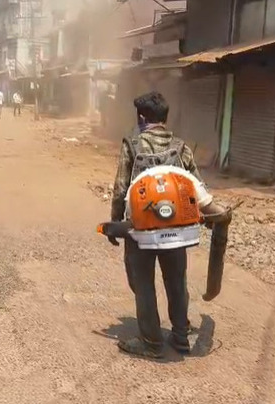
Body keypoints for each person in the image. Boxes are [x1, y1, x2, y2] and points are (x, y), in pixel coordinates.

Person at [109, 91, 229, 359]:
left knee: (143, 283)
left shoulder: (132, 144)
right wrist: (210, 217)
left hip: (140, 228)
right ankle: (180, 336)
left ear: (141, 117)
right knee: (176, 281)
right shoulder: (181, 146)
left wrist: (116, 223)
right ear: (164, 117)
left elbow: (120, 188)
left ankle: (151, 342)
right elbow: (196, 184)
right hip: (177, 229)